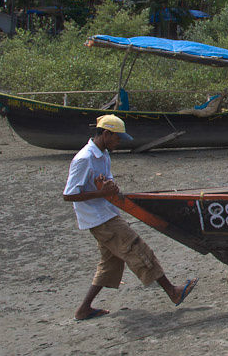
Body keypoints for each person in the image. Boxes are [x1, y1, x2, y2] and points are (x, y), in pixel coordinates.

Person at [63, 114, 197, 321]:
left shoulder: (103, 154)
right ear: (106, 134)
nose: (119, 143)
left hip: (106, 212)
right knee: (137, 249)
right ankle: (173, 291)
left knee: (111, 264)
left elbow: (108, 185)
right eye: (117, 138)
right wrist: (100, 193)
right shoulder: (84, 159)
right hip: (100, 219)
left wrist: (110, 190)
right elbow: (69, 194)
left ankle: (84, 309)